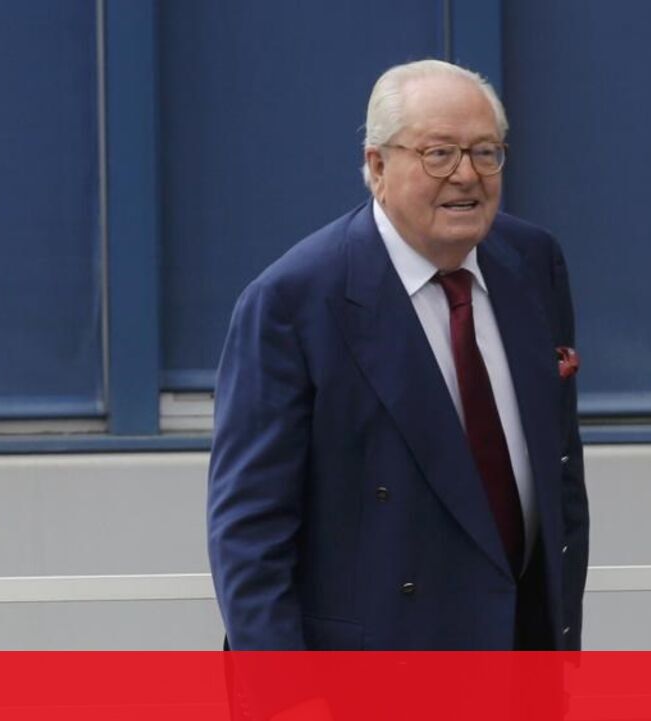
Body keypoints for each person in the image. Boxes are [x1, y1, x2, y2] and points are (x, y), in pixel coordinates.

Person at [207, 59, 589, 651]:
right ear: (378, 165)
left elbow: (559, 472)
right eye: (439, 154)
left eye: (485, 152)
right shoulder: (294, 301)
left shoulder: (533, 263)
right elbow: (248, 535)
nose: (467, 175)